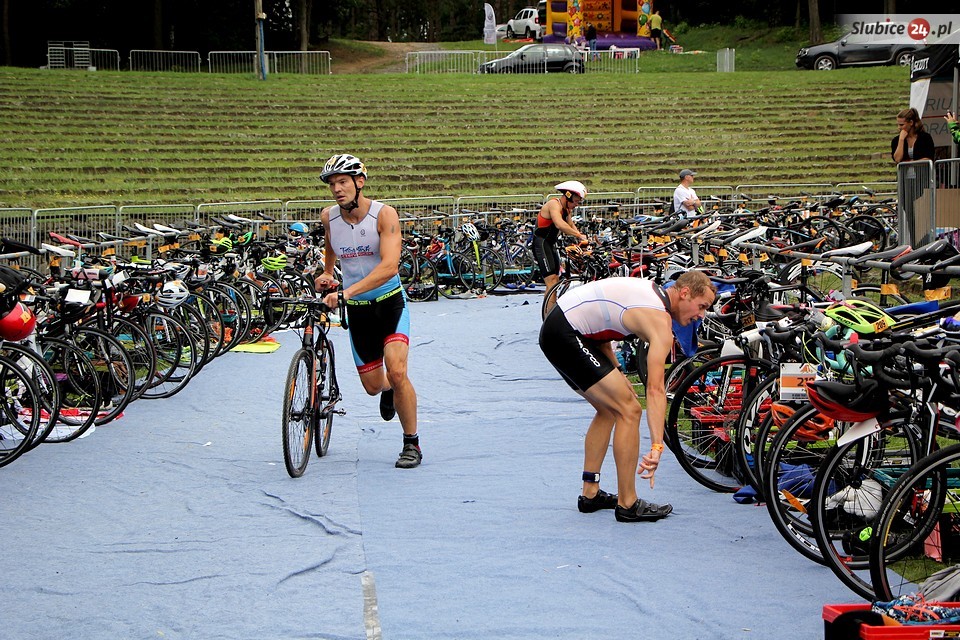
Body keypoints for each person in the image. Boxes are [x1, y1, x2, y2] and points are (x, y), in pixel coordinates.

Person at [538, 271, 716, 522]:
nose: (702, 315)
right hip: (565, 333)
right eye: (702, 306)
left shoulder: (651, 293)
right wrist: (657, 446)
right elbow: (655, 390)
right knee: (629, 410)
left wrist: (618, 372)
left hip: (560, 329)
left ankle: (590, 493)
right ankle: (628, 503)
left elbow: (603, 330)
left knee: (608, 410)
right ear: (685, 293)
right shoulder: (659, 320)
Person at [313, 153, 422, 469]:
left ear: (359, 182)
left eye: (343, 182)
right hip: (359, 312)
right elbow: (331, 243)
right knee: (374, 386)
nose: (337, 189)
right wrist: (328, 272)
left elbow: (389, 267)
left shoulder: (384, 215)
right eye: (332, 184)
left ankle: (411, 443)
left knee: (397, 371)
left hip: (389, 304)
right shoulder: (329, 217)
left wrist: (346, 291)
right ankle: (389, 389)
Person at [533, 180, 589, 315]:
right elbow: (559, 224)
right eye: (576, 201)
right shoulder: (554, 204)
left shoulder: (566, 209)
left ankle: (550, 312)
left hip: (550, 243)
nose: (576, 205)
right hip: (541, 243)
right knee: (551, 281)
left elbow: (570, 225)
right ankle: (548, 316)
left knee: (556, 281)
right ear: (568, 196)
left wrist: (582, 238)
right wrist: (578, 235)